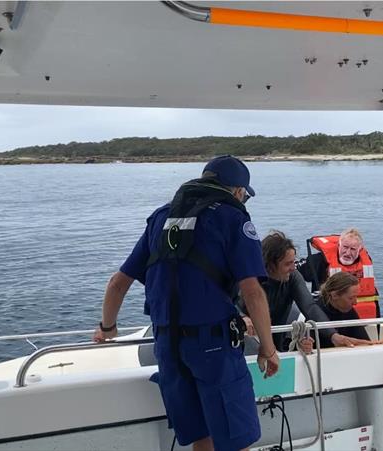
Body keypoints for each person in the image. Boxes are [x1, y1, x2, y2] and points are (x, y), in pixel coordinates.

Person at [93, 155, 279, 451]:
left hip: (168, 347)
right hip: (213, 347)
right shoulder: (233, 219)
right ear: (237, 191)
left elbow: (118, 283)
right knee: (235, 441)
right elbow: (252, 292)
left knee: (201, 437)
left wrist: (108, 328)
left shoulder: (160, 218)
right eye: (244, 196)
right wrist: (268, 349)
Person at [239, 230, 371, 352]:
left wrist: (333, 335)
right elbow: (228, 300)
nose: (293, 268)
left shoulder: (293, 277)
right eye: (288, 264)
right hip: (245, 336)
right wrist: (242, 316)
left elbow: (309, 307)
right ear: (271, 265)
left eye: (293, 262)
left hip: (276, 338)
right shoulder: (248, 278)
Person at [300, 228, 380, 319]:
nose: (348, 253)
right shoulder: (319, 260)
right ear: (339, 245)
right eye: (345, 247)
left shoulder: (366, 262)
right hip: (328, 315)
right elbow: (296, 275)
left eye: (353, 249)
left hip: (364, 316)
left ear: (359, 250)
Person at [315, 272, 372, 348]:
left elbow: (365, 342)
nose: (355, 303)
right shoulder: (315, 312)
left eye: (356, 297)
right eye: (351, 298)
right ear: (334, 295)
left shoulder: (349, 311)